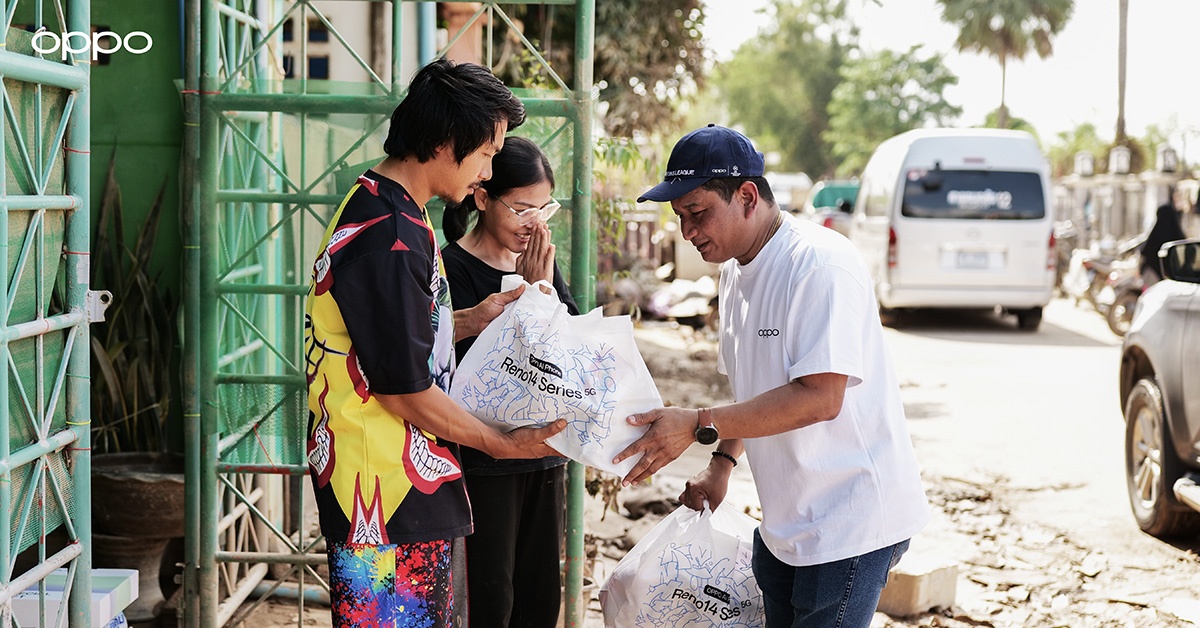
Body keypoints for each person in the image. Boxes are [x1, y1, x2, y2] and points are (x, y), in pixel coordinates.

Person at [614, 125, 929, 628]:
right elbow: (755, 390)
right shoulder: (734, 272)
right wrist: (721, 463)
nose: (687, 231)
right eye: (680, 217)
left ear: (746, 196)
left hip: (848, 522)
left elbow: (820, 398)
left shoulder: (819, 265)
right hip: (785, 523)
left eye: (698, 213)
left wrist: (696, 423)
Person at [303, 58, 566, 627]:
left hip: (396, 490)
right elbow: (404, 389)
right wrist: (502, 444)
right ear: (447, 142)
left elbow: (389, 338)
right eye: (487, 153)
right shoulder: (390, 235)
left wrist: (468, 320)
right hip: (385, 500)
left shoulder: (392, 209)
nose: (487, 171)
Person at [440, 136, 577, 627]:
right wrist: (533, 292)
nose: (534, 224)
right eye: (521, 208)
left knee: (539, 600)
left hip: (542, 458)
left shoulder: (541, 265)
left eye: (544, 209)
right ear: (481, 197)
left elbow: (569, 351)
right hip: (481, 463)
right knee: (490, 599)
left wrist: (543, 287)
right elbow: (473, 370)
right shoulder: (451, 268)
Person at [1139, 197, 1186, 286]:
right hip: (1174, 278)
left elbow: (1146, 253)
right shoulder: (1178, 236)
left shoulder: (1155, 235)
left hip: (1155, 277)